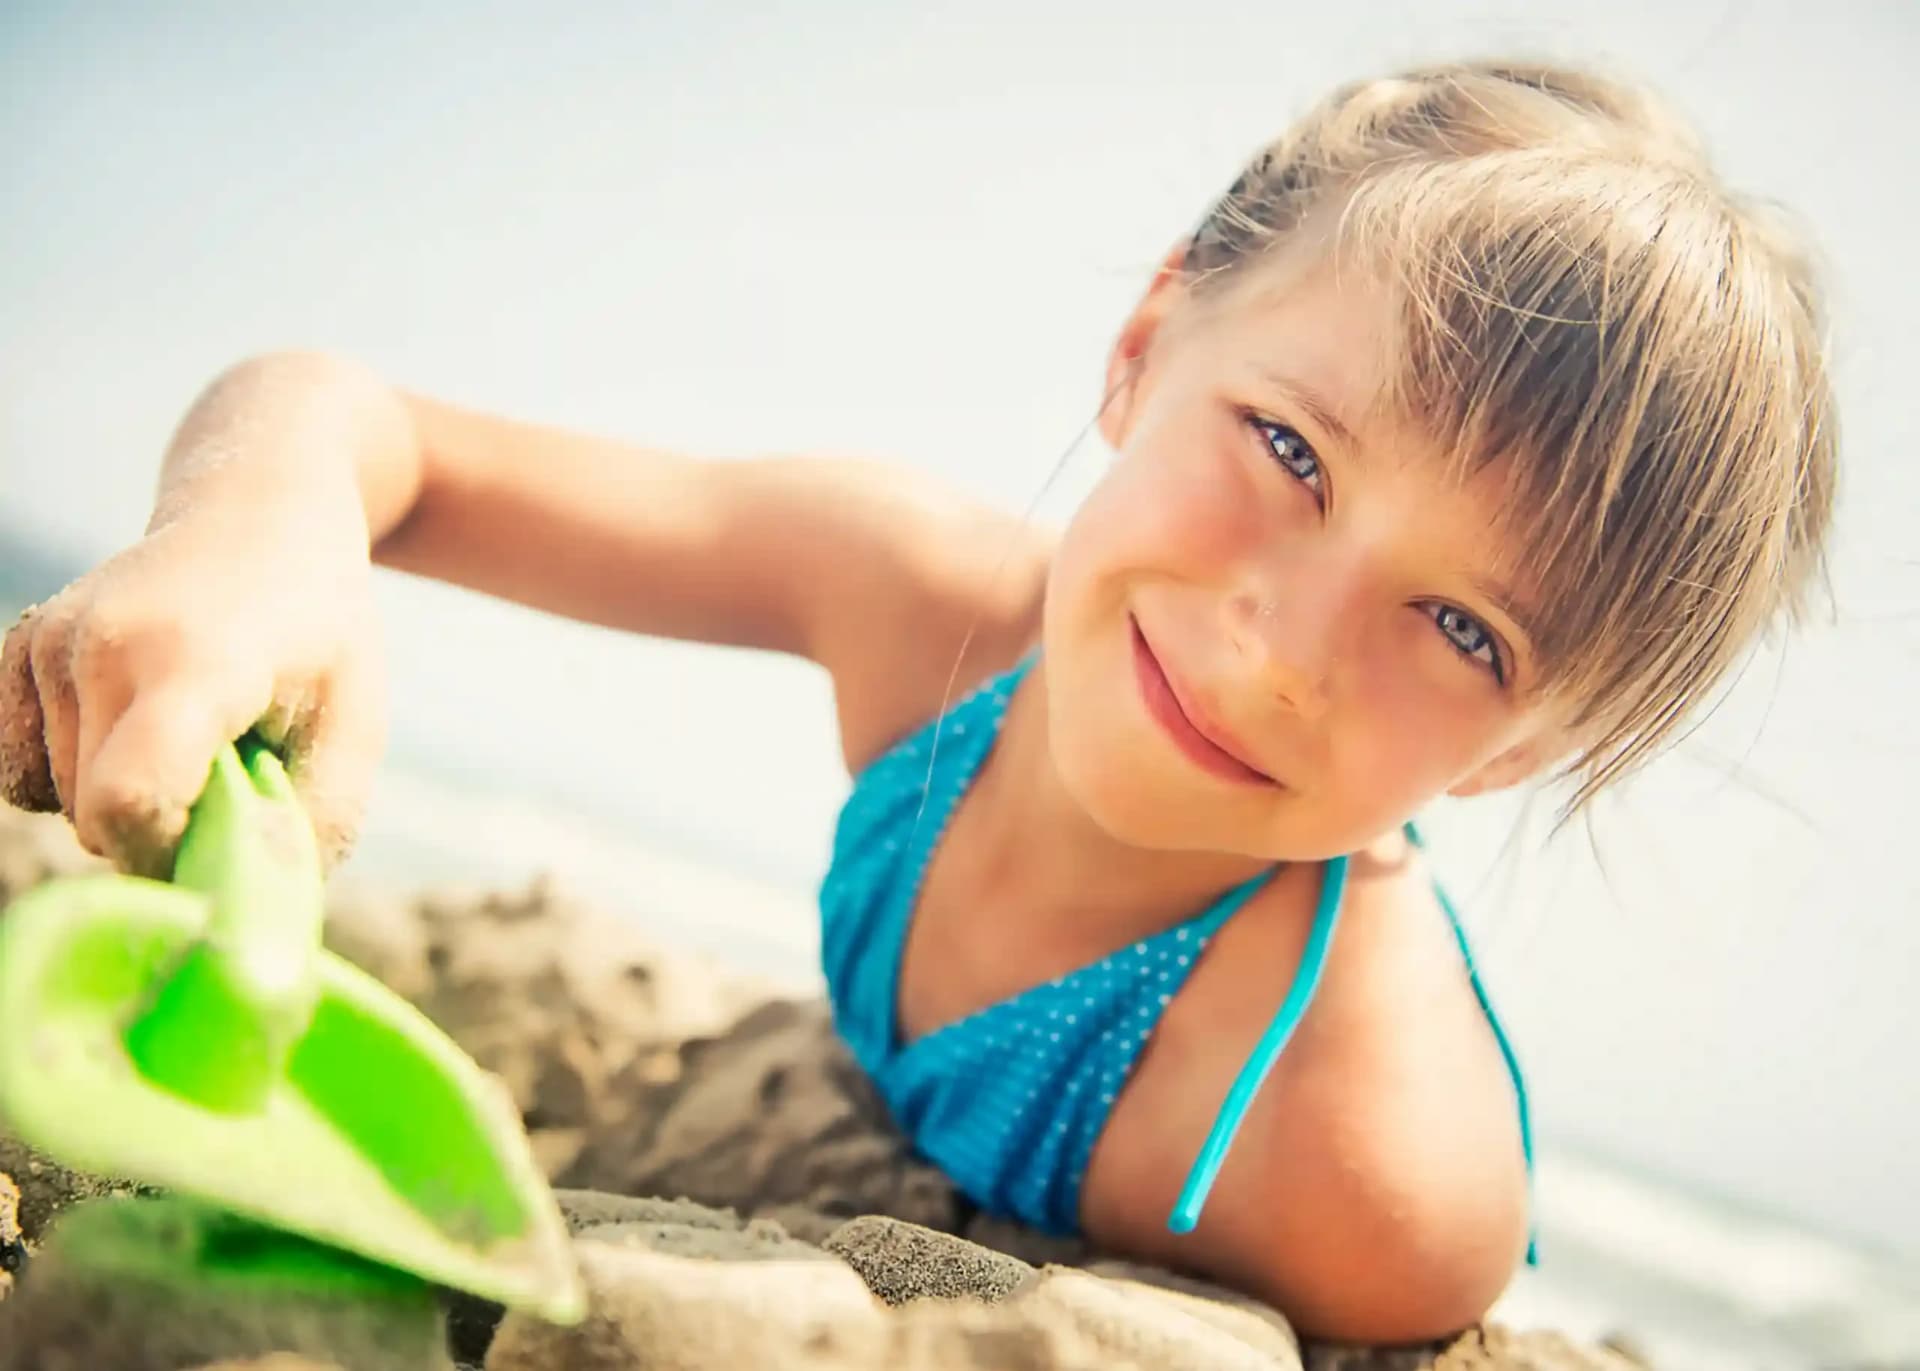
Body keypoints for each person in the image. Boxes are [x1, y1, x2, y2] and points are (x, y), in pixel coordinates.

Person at [0, 59, 1835, 1343]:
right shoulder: (918, 603)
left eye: (1464, 633)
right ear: (1141, 351)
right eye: (1289, 447)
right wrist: (260, 538)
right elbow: (358, 424)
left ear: (1517, 753)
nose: (1287, 644)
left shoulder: (1358, 1172)